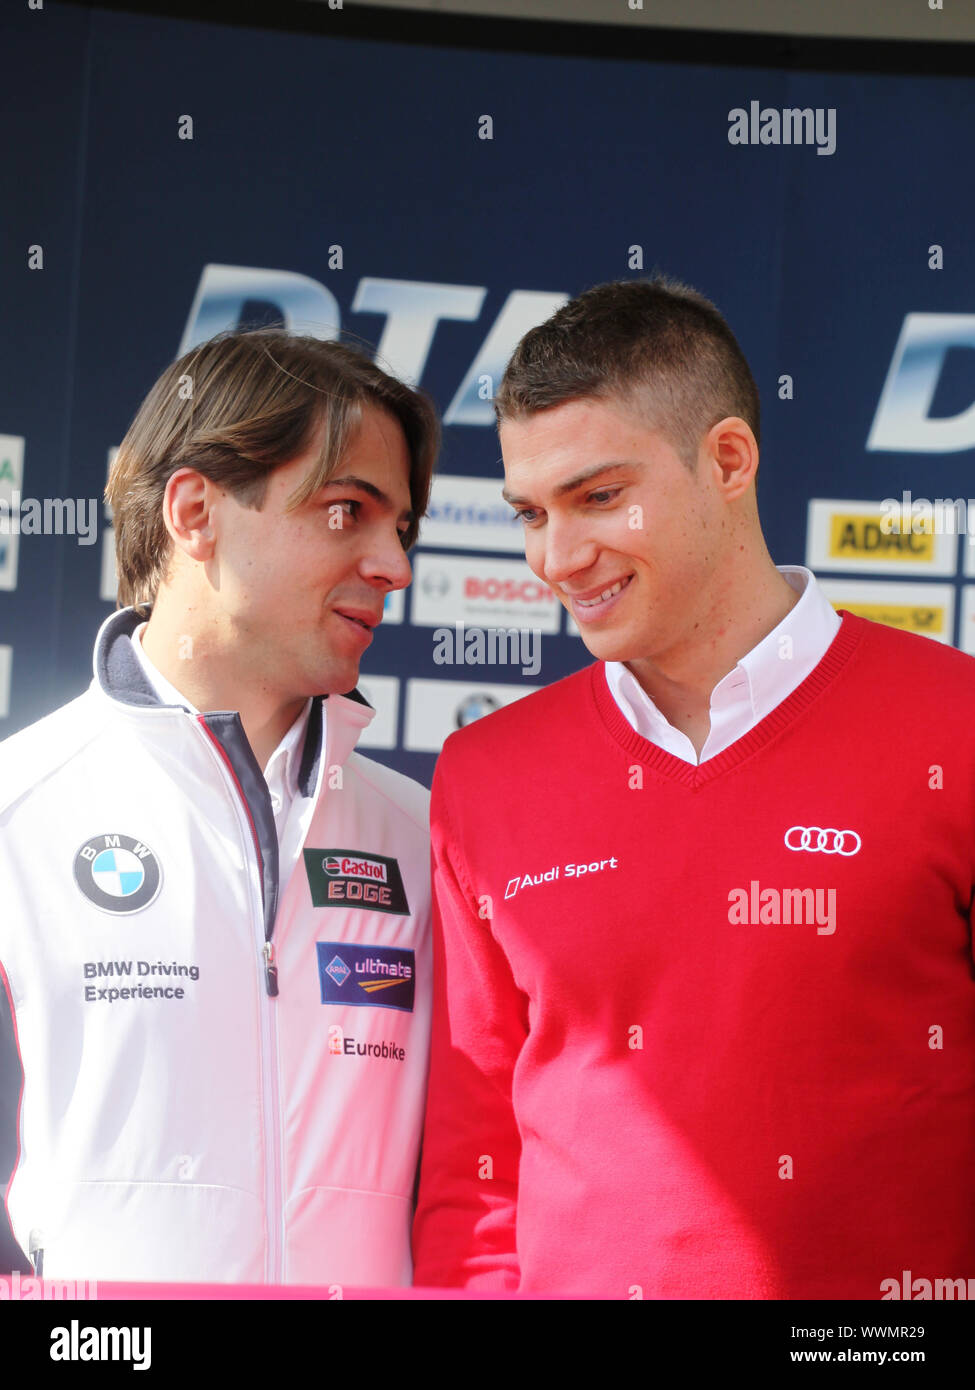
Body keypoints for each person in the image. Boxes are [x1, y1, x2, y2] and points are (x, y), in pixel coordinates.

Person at [412, 277, 975, 1299]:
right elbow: (475, 1166)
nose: (557, 556)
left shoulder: (957, 725)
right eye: (530, 513)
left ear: (727, 460)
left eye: (597, 496)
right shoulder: (487, 772)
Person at [0, 329, 439, 1287]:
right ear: (196, 512)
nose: (392, 564)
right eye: (346, 511)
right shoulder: (15, 817)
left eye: (398, 527)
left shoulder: (424, 838)